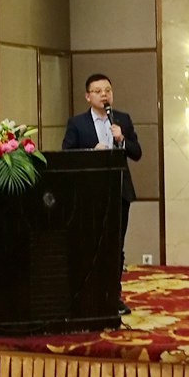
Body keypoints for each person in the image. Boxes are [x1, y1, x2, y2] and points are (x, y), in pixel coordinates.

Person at [62, 73, 142, 315]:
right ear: (88, 96)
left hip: (119, 191)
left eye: (107, 90)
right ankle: (88, 295)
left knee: (115, 246)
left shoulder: (122, 120)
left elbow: (137, 152)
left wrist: (122, 139)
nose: (104, 95)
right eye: (98, 91)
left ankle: (112, 296)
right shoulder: (77, 123)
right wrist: (91, 151)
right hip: (89, 194)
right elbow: (67, 154)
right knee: (90, 245)